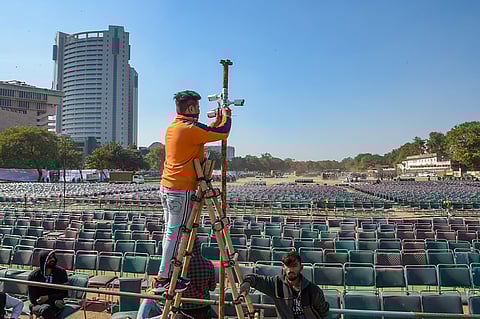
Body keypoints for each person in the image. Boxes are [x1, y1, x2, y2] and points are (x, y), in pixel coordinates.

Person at [154, 90, 231, 292]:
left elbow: (205, 131)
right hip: (181, 189)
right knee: (176, 233)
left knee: (170, 233)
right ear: (190, 108)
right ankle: (164, 277)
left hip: (167, 187)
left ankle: (166, 273)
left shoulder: (175, 127)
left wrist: (215, 122)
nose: (199, 110)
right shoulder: (190, 129)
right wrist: (227, 115)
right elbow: (223, 132)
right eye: (196, 106)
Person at [139, 239, 217, 319]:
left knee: (148, 300)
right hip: (203, 308)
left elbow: (169, 287)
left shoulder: (178, 266)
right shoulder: (208, 264)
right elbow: (212, 287)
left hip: (180, 308)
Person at [239, 251, 329, 319]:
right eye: (288, 266)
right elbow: (254, 279)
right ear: (283, 267)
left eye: (294, 266)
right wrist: (247, 283)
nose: (290, 270)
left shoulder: (313, 290)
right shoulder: (276, 284)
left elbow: (323, 313)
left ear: (301, 268)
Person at [28, 251, 68, 319]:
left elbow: (65, 293)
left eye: (53, 257)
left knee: (47, 312)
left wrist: (48, 297)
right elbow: (33, 299)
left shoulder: (61, 272)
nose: (52, 259)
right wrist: (43, 300)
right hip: (38, 305)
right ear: (43, 260)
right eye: (49, 258)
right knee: (46, 309)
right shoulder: (33, 276)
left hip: (55, 303)